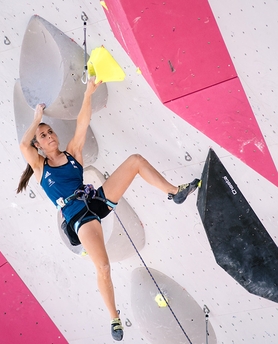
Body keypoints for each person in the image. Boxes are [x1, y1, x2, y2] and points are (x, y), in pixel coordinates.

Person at [17, 76, 200, 341]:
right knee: (102, 267)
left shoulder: (72, 153)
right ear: (39, 145)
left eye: (50, 132)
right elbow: (23, 145)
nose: (48, 137)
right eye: (43, 136)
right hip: (78, 217)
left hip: (95, 202)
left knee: (135, 161)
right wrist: (37, 118)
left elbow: (82, 122)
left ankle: (174, 192)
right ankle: (114, 318)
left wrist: (89, 93)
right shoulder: (40, 168)